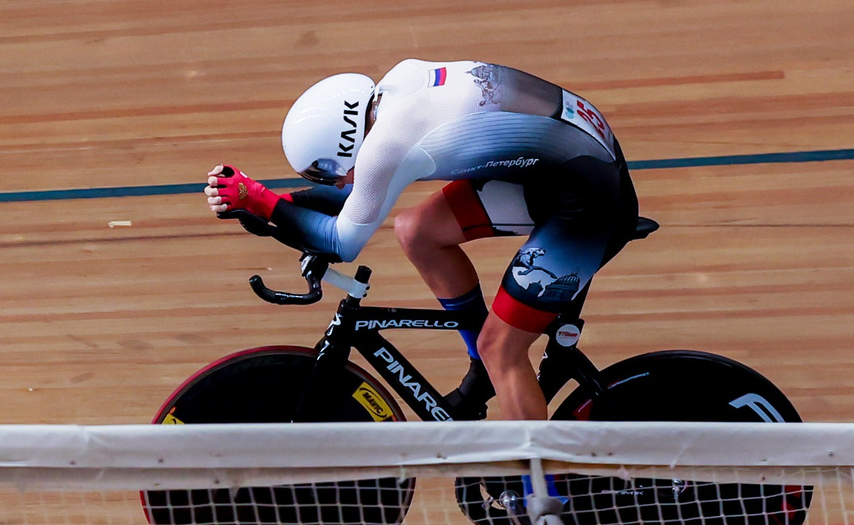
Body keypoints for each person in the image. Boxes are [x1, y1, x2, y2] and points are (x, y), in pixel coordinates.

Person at [203, 61, 639, 422]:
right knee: (416, 231)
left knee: (501, 348)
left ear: (343, 147)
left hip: (589, 200)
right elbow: (352, 194)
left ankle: (543, 505)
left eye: (328, 171)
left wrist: (262, 202)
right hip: (565, 164)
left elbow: (343, 241)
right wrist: (266, 203)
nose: (336, 180)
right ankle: (481, 374)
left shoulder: (388, 144)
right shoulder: (396, 87)